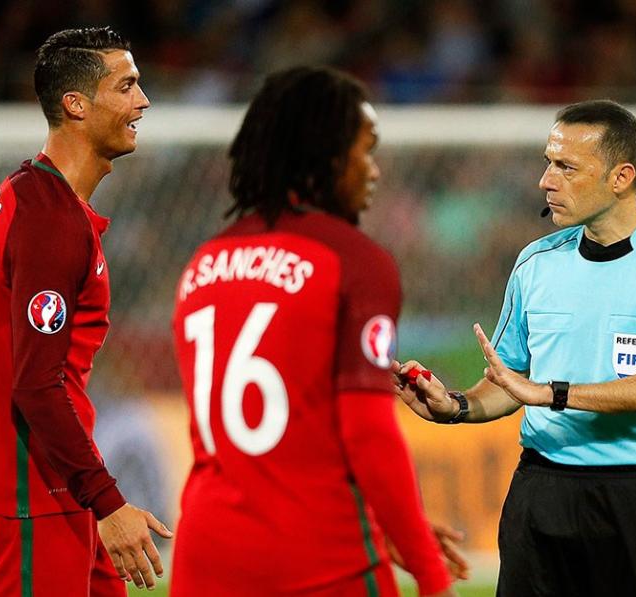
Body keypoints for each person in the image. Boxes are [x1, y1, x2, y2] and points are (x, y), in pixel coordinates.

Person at [396, 99, 636, 597]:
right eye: (548, 163)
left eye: (566, 167)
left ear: (621, 177)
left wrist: (550, 393)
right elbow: (510, 383)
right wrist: (456, 406)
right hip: (540, 492)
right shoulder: (535, 262)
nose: (545, 181)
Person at [171, 66, 467, 597]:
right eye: (366, 151)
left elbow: (280, 438)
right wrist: (430, 572)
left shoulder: (204, 263)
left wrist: (388, 530)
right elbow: (368, 434)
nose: (374, 170)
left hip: (205, 558)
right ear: (328, 156)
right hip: (319, 561)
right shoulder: (354, 261)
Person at [0, 26, 172, 596]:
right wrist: (108, 501)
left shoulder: (36, 196)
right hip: (29, 491)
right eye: (126, 86)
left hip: (55, 480)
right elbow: (36, 384)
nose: (142, 101)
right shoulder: (49, 222)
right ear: (76, 104)